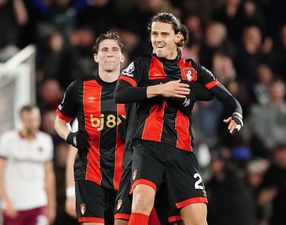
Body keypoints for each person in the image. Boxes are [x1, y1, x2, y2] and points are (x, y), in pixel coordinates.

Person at [115, 12, 243, 225]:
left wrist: (237, 116)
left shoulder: (192, 69)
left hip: (182, 151)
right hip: (148, 147)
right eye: (154, 33)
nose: (158, 38)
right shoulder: (141, 65)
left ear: (178, 37)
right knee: (142, 203)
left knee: (197, 218)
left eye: (164, 34)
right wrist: (160, 89)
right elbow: (121, 93)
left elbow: (226, 98)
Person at [54, 31, 127, 225]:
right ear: (96, 56)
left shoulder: (134, 90)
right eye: (104, 49)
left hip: (125, 175)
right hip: (90, 173)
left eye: (114, 49)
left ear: (122, 56)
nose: (109, 53)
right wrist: (72, 138)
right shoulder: (79, 88)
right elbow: (59, 122)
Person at [0, 105, 56, 225]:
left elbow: (49, 175)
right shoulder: (8, 140)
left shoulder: (45, 140)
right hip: (15, 205)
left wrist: (51, 206)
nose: (33, 124)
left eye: (36, 120)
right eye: (29, 120)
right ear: (21, 120)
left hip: (38, 202)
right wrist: (5, 201)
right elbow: (0, 172)